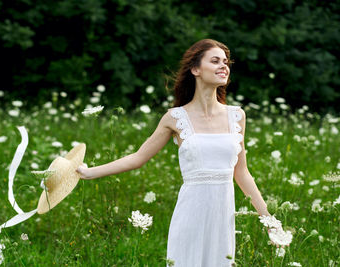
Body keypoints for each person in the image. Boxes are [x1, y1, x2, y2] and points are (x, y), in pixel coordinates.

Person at [76, 39, 286, 266]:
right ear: (195, 69)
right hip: (190, 216)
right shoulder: (175, 118)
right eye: (215, 61)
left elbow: (242, 173)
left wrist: (271, 222)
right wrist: (89, 173)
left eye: (226, 62)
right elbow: (138, 158)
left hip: (222, 220)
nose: (224, 66)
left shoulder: (237, 116)